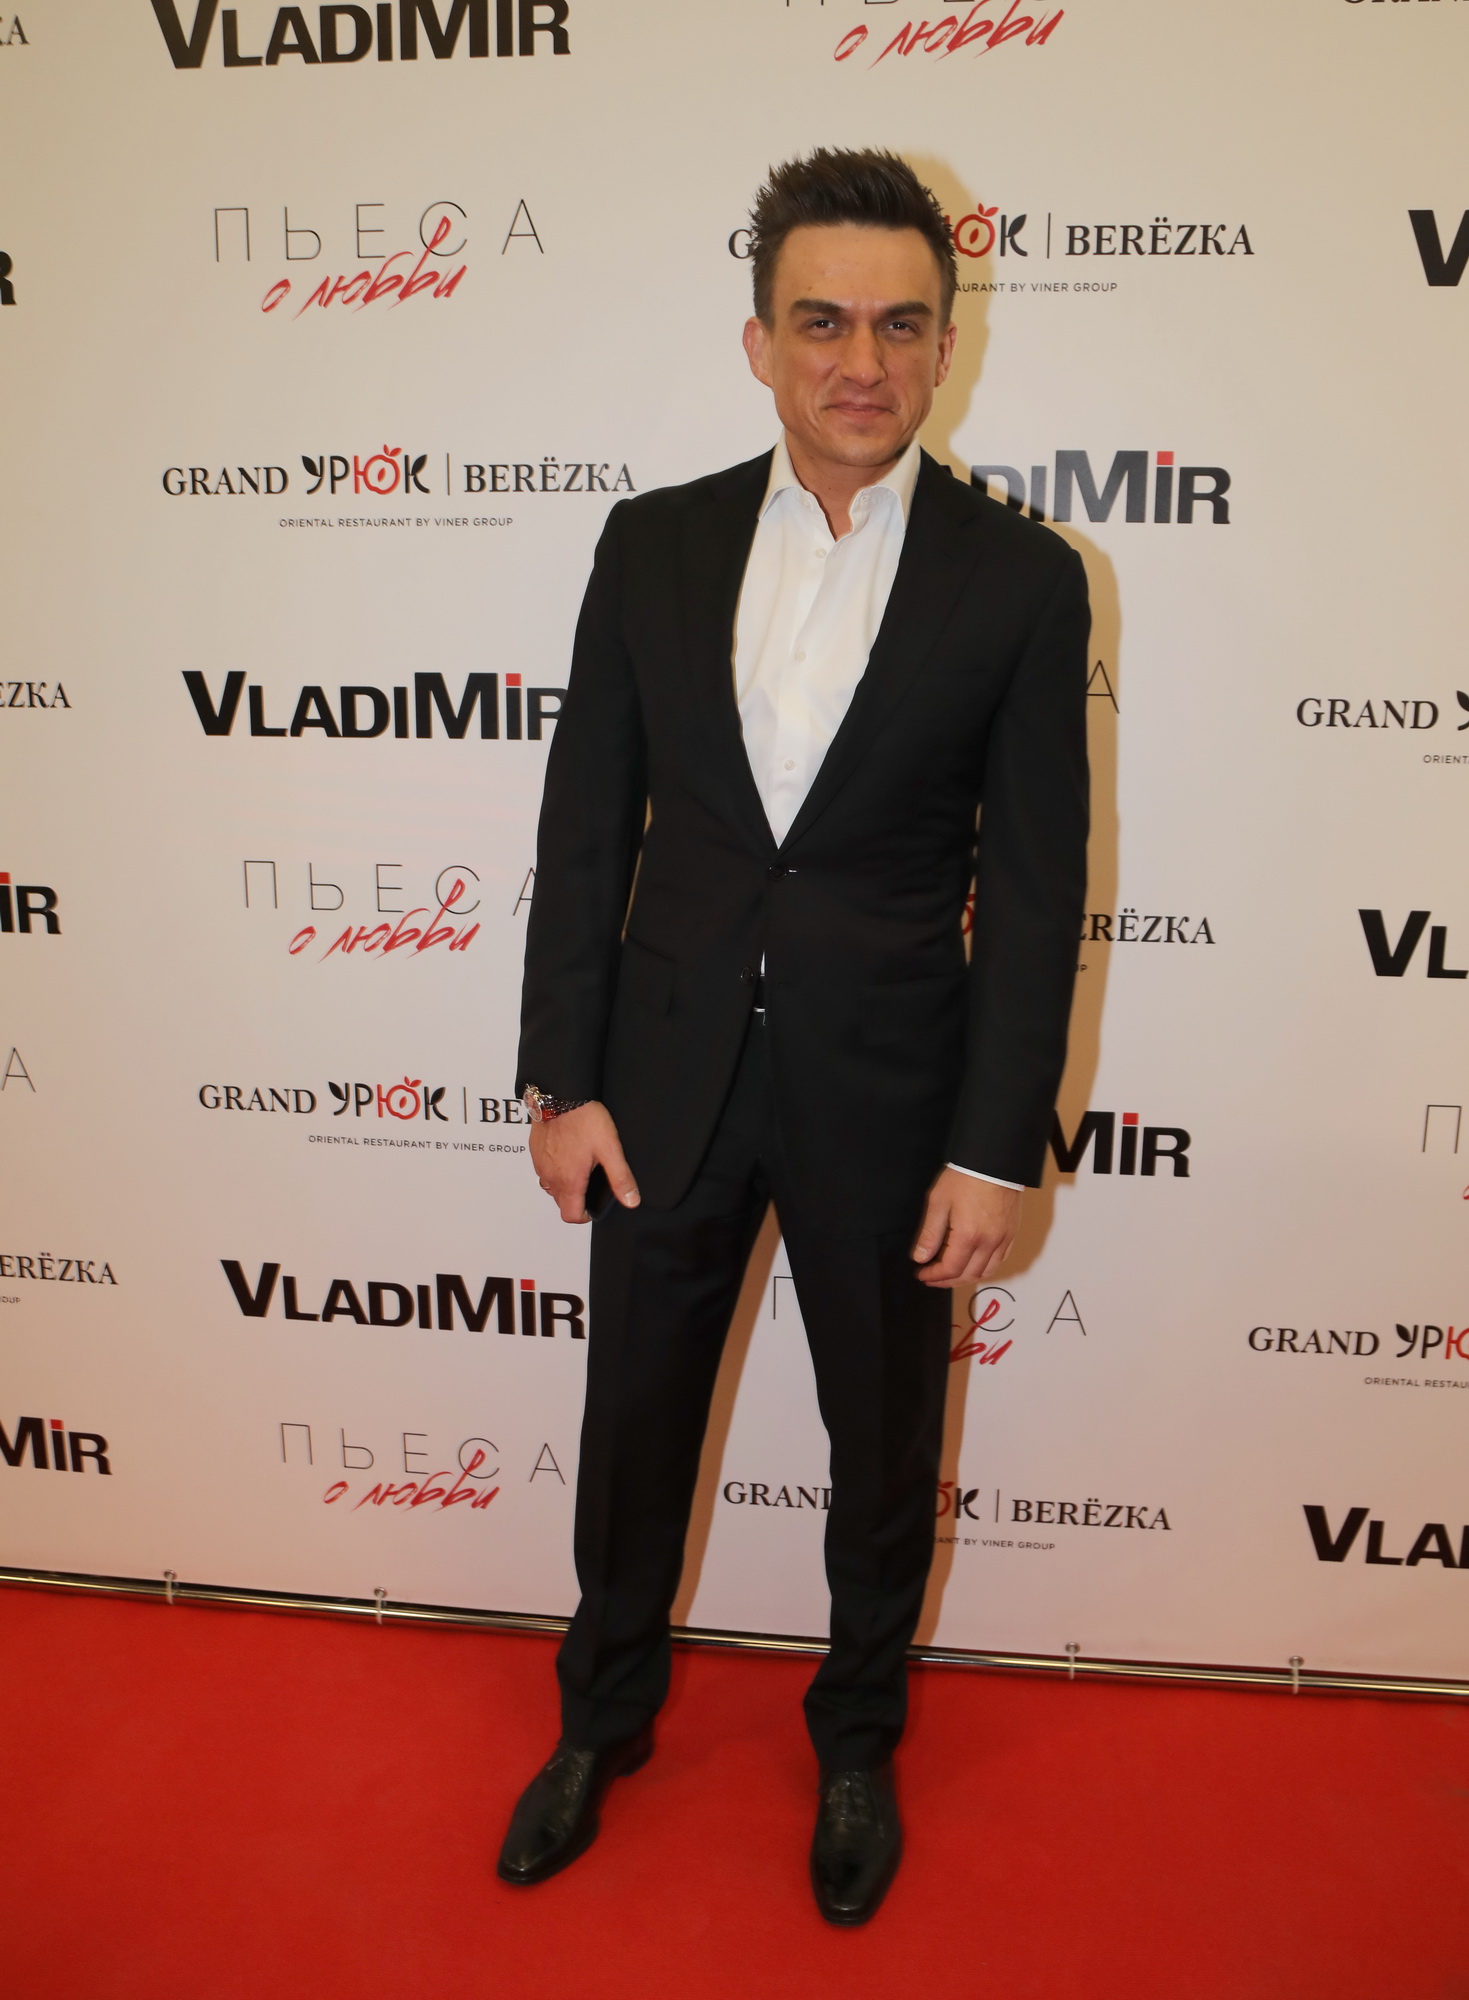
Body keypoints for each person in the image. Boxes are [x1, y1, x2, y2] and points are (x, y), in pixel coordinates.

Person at [500, 147, 1089, 1924]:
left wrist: (992, 1144)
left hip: (895, 1101)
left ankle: (855, 1741)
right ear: (758, 342)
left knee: (882, 1449)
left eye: (900, 325)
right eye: (821, 321)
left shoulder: (1022, 579)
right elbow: (584, 828)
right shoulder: (653, 542)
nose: (860, 360)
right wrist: (563, 1077)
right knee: (631, 1429)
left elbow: (1039, 891)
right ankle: (599, 1722)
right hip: (660, 1085)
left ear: (945, 347)